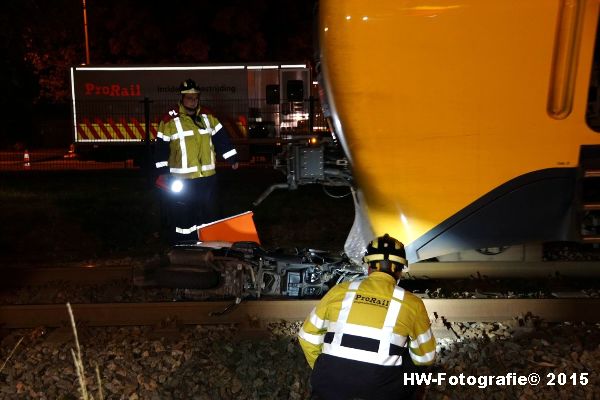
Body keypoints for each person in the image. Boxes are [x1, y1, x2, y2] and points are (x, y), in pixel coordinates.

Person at [298, 234, 436, 400]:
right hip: (382, 392)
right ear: (400, 271)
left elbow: (307, 336)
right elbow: (426, 357)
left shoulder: (340, 291)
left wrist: (324, 366)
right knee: (416, 366)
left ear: (369, 266)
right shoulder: (412, 303)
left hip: (329, 384)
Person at [155, 78, 239, 244]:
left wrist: (232, 158)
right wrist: (162, 172)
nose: (193, 101)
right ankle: (184, 246)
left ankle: (211, 247)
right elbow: (161, 149)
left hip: (208, 178)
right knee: (184, 216)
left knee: (211, 214)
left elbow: (221, 139)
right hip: (182, 180)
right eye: (189, 97)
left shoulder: (208, 116)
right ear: (182, 98)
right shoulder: (169, 121)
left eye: (195, 97)